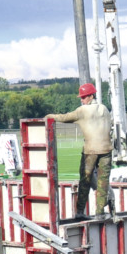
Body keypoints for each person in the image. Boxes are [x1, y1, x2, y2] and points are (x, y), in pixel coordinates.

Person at [49, 82, 113, 220]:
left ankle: (80, 212)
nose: (82, 100)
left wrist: (49, 116)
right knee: (103, 183)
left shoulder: (83, 111)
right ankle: (100, 213)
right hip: (106, 149)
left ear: (91, 96)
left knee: (85, 181)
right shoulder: (104, 109)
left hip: (90, 151)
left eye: (83, 97)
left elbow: (64, 118)